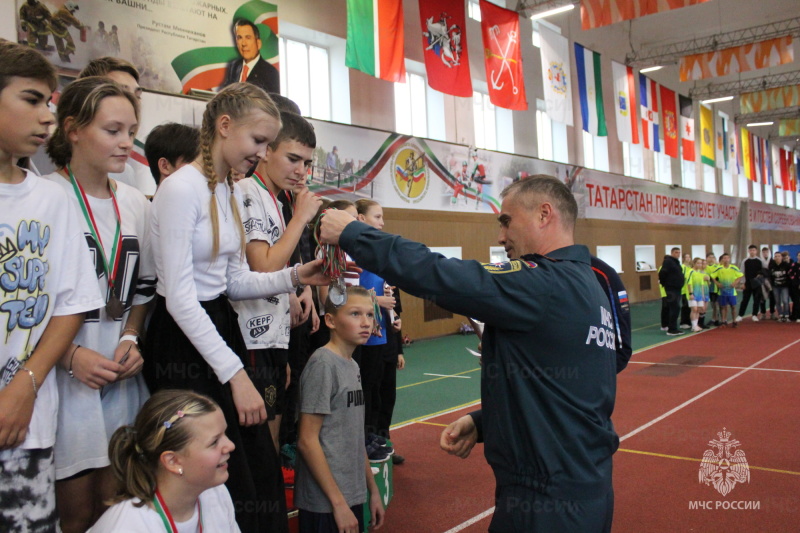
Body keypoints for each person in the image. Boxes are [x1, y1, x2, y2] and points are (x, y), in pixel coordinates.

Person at [320, 175, 618, 532]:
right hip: (580, 487)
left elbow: (439, 275)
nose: (501, 236)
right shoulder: (590, 284)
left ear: (543, 214)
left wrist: (354, 232)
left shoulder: (545, 283)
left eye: (506, 221)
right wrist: (484, 422)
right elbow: (561, 388)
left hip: (546, 501)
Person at [142, 82, 334, 533]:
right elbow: (180, 298)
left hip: (218, 329)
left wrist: (295, 276)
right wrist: (236, 375)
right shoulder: (181, 190)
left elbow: (232, 281)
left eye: (268, 143)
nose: (261, 152)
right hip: (183, 343)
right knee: (210, 472)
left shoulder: (225, 190)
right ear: (224, 126)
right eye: (258, 141)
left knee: (254, 475)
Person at [0, 39, 104, 532]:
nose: (47, 116)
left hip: (25, 421)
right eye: (31, 99)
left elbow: (71, 305)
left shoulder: (50, 200)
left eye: (50, 102)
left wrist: (26, 384)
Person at [43, 77, 155, 532]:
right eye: (113, 130)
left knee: (118, 505)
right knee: (73, 514)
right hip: (60, 380)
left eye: (131, 131)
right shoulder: (45, 197)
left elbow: (143, 289)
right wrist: (70, 356)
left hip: (120, 375)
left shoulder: (135, 203)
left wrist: (130, 335)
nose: (127, 142)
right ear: (73, 129)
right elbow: (24, 306)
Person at [231, 111, 322, 453]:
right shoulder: (248, 192)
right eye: (293, 159)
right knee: (258, 443)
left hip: (272, 333)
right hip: (250, 335)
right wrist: (300, 218)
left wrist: (298, 291)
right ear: (267, 150)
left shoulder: (272, 197)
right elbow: (264, 267)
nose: (301, 171)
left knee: (271, 429)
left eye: (307, 163)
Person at [295, 286, 386, 533]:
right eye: (355, 314)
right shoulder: (323, 364)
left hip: (351, 494)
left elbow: (356, 436)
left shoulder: (352, 365)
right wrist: (338, 504)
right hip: (326, 504)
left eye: (370, 314)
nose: (366, 322)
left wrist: (373, 490)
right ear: (331, 320)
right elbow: (306, 440)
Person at [89, 390, 239, 532]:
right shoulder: (127, 527)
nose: (230, 446)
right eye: (214, 442)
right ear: (173, 461)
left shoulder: (214, 493)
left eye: (224, 434)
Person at [353, 199, 396, 463]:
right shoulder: (355, 251)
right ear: (361, 219)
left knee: (379, 391)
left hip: (380, 333)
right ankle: (363, 443)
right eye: (377, 217)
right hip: (363, 335)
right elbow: (345, 292)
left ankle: (377, 438)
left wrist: (391, 308)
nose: (382, 223)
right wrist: (375, 301)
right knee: (365, 392)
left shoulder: (375, 250)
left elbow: (382, 288)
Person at [223, 19, 280, 94]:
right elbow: (223, 95)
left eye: (248, 37)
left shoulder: (270, 73)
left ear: (258, 43)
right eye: (239, 38)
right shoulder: (234, 66)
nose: (243, 44)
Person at [712, 253, 743, 327]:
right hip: (722, 291)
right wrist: (717, 283)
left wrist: (735, 283)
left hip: (732, 291)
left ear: (729, 259)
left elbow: (740, 275)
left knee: (733, 306)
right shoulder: (719, 268)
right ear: (722, 259)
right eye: (724, 258)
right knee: (723, 306)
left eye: (727, 258)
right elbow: (712, 276)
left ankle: (734, 321)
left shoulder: (733, 268)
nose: (726, 259)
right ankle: (723, 321)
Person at [659, 247, 685, 336]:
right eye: (676, 252)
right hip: (671, 289)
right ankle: (671, 329)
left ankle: (673, 328)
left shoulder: (676, 262)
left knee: (675, 308)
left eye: (679, 252)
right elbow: (662, 273)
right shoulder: (668, 261)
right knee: (674, 308)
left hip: (677, 288)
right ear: (672, 253)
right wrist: (665, 284)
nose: (678, 254)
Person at [737, 245, 764, 322]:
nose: (752, 252)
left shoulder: (760, 261)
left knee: (757, 300)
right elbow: (741, 272)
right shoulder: (745, 261)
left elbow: (764, 271)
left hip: (757, 283)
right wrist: (742, 283)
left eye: (754, 250)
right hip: (747, 283)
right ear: (748, 251)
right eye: (751, 250)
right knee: (745, 299)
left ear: (756, 251)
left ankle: (754, 315)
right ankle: (740, 315)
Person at [687, 258, 709, 332]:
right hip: (693, 294)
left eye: (700, 263)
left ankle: (696, 325)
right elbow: (689, 283)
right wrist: (691, 293)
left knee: (699, 310)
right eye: (698, 263)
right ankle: (693, 326)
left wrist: (702, 294)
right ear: (694, 263)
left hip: (700, 294)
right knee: (694, 309)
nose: (699, 265)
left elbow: (702, 284)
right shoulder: (690, 271)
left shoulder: (700, 273)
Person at [770, 252, 790, 321]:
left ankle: (786, 315)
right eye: (776, 256)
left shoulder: (786, 265)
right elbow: (770, 276)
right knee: (777, 301)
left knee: (785, 300)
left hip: (784, 286)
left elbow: (790, 274)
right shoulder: (772, 266)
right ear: (774, 258)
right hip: (775, 286)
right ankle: (780, 315)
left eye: (779, 256)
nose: (777, 257)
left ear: (781, 257)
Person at [706, 253, 721, 326]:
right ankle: (714, 318)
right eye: (709, 257)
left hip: (715, 289)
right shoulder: (704, 267)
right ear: (706, 258)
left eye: (713, 257)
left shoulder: (717, 266)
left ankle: (716, 319)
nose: (711, 259)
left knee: (716, 304)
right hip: (707, 289)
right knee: (712, 304)